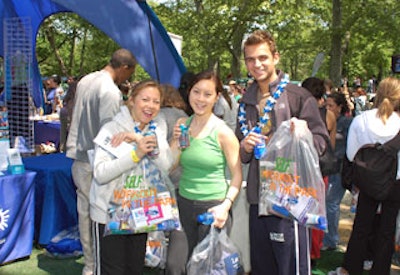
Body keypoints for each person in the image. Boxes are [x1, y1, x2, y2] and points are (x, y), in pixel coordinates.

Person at [236, 29, 329, 275]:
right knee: (262, 268)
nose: (257, 64)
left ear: (276, 57)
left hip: (290, 200)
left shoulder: (299, 96)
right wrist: (244, 146)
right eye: (250, 59)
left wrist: (304, 134)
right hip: (257, 198)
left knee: (291, 268)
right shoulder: (245, 101)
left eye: (263, 57)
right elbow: (241, 153)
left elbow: (322, 144)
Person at [90, 80, 173, 275]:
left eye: (156, 101)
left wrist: (142, 142)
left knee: (134, 269)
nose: (150, 106)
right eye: (145, 99)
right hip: (107, 215)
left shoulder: (156, 130)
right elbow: (100, 174)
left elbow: (166, 167)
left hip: (140, 214)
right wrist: (135, 155)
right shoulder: (111, 129)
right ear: (132, 100)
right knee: (112, 270)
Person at [66, 48, 136, 275]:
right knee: (99, 217)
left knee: (84, 213)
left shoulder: (86, 80)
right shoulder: (110, 93)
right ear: (124, 68)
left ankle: (90, 264)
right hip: (96, 162)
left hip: (78, 156)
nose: (129, 79)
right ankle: (98, 264)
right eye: (130, 73)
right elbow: (111, 135)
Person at [329, 77, 400, 275]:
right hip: (395, 181)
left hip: (367, 181)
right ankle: (380, 269)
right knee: (388, 229)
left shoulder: (362, 120)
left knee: (361, 227)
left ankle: (351, 268)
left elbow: (351, 155)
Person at [171, 69, 242, 260]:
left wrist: (225, 206)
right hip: (184, 204)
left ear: (217, 97)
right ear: (189, 92)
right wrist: (176, 141)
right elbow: (171, 165)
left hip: (213, 207)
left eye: (208, 94)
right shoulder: (183, 123)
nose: (201, 99)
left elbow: (237, 176)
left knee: (206, 268)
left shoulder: (223, 133)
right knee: (175, 266)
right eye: (196, 92)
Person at [302, 76, 337, 268]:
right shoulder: (328, 115)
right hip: (320, 170)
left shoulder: (298, 113)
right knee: (317, 210)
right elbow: (329, 145)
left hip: (301, 171)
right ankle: (314, 253)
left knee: (300, 209)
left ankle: (303, 249)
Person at [323, 92, 353, 251]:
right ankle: (327, 237)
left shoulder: (347, 123)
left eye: (331, 106)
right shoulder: (323, 120)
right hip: (327, 167)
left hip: (340, 169)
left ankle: (331, 239)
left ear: (340, 108)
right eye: (326, 105)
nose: (327, 108)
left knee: (332, 203)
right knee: (328, 203)